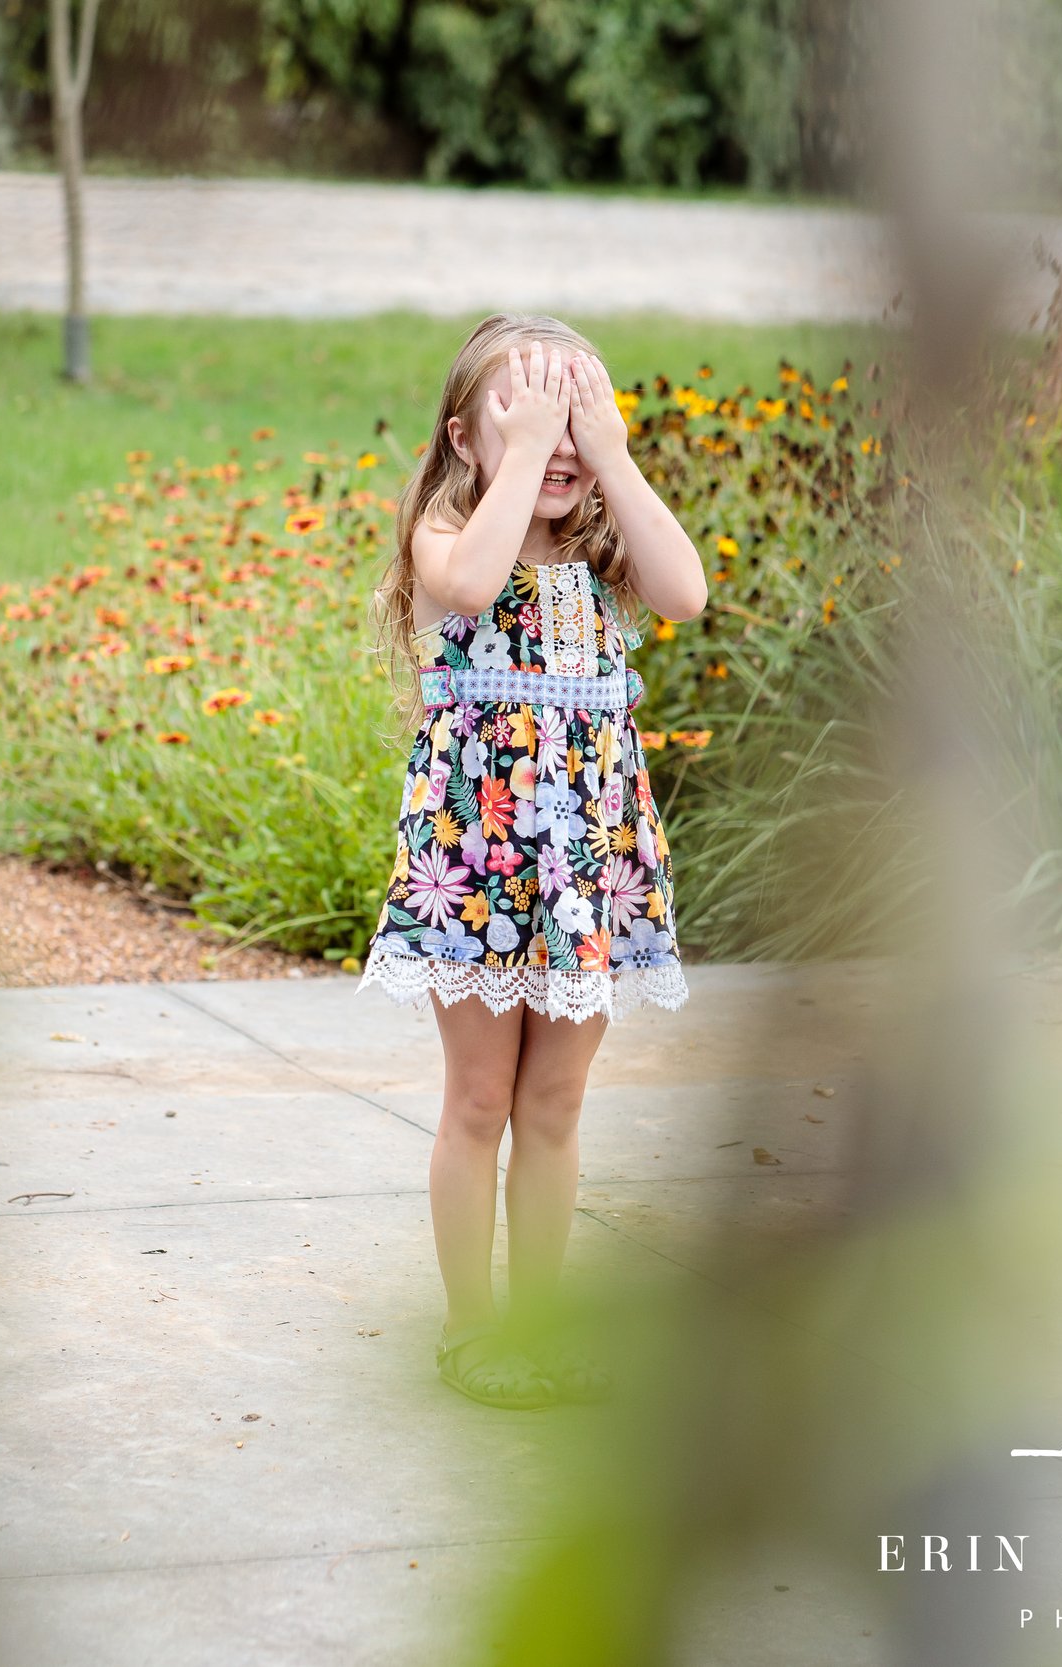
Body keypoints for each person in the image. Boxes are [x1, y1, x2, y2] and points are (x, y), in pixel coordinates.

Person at [359, 313, 707, 1409]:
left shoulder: (604, 552)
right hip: (481, 860)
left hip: (584, 863)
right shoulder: (447, 537)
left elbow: (685, 593)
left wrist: (608, 453)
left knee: (552, 1105)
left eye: (579, 414)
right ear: (465, 439)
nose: (558, 439)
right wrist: (518, 459)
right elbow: (466, 588)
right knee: (477, 1100)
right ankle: (472, 1329)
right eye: (530, 416)